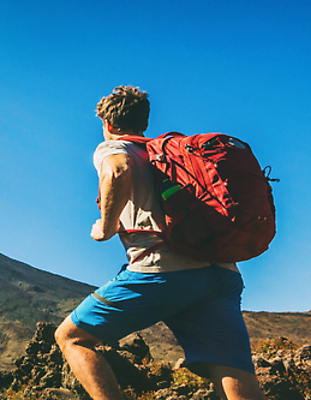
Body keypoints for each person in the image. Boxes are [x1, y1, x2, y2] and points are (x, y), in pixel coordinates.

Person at [54, 86, 267, 400]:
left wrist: (106, 227)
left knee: (72, 338)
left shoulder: (113, 146)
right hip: (222, 274)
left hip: (163, 270)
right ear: (144, 122)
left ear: (108, 124)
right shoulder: (167, 155)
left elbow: (117, 170)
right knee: (230, 369)